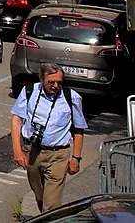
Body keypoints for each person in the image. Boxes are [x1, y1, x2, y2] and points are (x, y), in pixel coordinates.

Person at [11, 64, 87, 215]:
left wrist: (76, 158)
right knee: (40, 196)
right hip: (32, 151)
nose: (55, 86)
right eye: (51, 82)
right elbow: (16, 120)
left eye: (59, 82)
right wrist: (17, 151)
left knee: (51, 204)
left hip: (58, 155)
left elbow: (78, 130)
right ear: (42, 79)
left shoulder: (71, 97)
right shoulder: (29, 92)